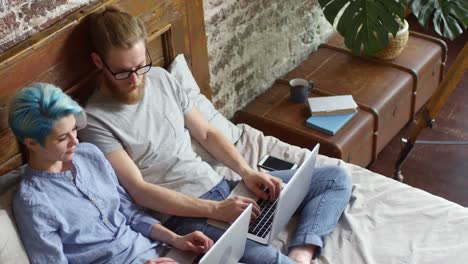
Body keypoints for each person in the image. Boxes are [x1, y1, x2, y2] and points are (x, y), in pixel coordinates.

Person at [79, 6, 352, 264]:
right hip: (186, 216)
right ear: (97, 62)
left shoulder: (161, 78)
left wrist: (247, 173)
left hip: (223, 185)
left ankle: (302, 253)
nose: (136, 79)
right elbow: (140, 192)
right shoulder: (94, 119)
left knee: (334, 178)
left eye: (141, 65)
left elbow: (208, 133)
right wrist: (215, 210)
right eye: (124, 72)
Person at [9, 83, 213, 264]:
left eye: (74, 129)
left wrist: (176, 240)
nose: (75, 141)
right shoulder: (33, 201)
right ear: (32, 143)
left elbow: (130, 213)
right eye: (63, 138)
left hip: (160, 252)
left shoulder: (90, 155)